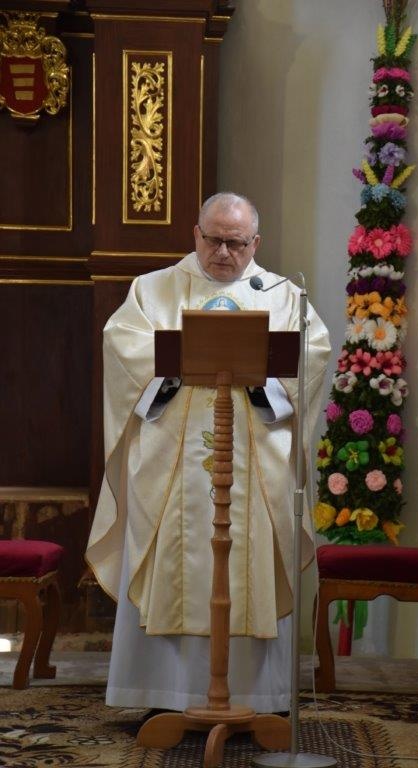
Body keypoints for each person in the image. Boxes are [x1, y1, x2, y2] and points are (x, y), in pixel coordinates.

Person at [85, 192, 330, 714]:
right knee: (174, 560)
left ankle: (255, 696)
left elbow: (311, 353)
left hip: (257, 460)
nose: (223, 252)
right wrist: (179, 366)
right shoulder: (153, 289)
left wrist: (260, 381)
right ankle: (165, 693)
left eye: (235, 243)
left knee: (250, 558)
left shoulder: (283, 296)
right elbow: (124, 348)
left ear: (255, 243)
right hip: (169, 463)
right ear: (196, 235)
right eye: (214, 240)